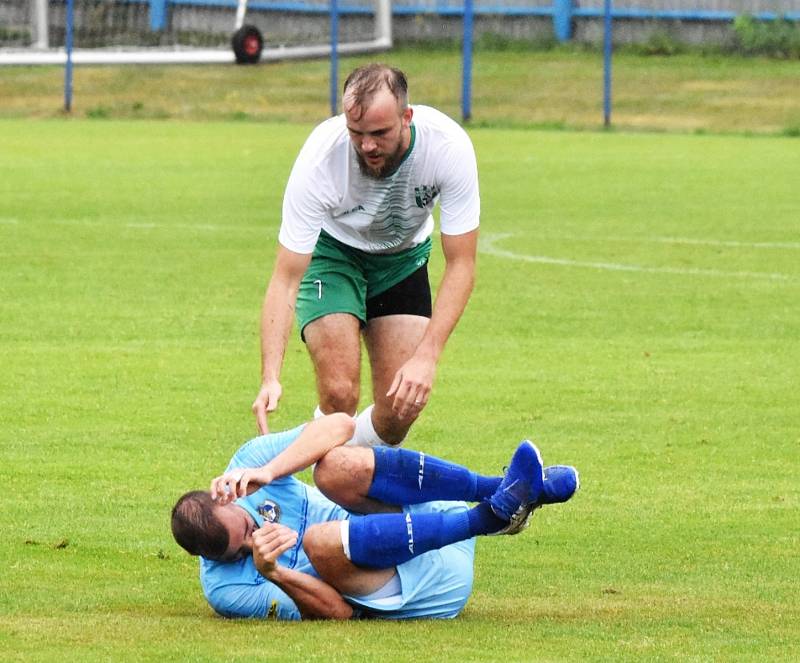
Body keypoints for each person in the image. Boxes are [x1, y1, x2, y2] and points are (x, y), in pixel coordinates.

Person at [251, 63, 481, 447]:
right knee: (339, 393)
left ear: (406, 116)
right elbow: (286, 276)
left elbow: (462, 263)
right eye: (356, 133)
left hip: (402, 259)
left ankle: (319, 459)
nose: (367, 145)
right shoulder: (320, 159)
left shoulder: (448, 147)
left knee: (397, 412)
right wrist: (270, 375)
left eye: (379, 133)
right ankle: (320, 486)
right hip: (333, 254)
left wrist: (427, 357)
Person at [171, 414, 579, 620]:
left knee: (330, 467)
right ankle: (492, 517)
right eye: (238, 553)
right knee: (318, 540)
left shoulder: (247, 470)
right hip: (421, 588)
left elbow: (340, 424)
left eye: (246, 528)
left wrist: (271, 470)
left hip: (425, 525)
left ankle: (504, 491)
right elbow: (340, 613)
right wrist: (275, 572)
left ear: (223, 495)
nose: (254, 539)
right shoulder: (225, 591)